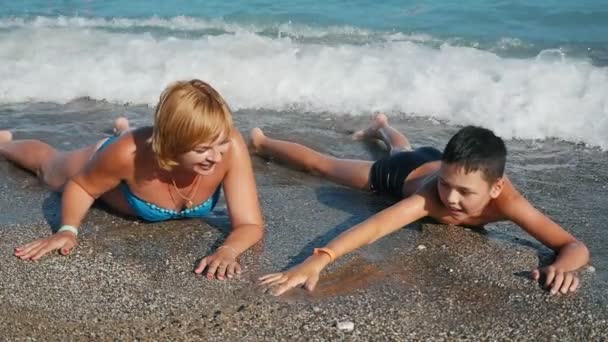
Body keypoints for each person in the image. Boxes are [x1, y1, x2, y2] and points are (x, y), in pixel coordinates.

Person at [253, 113, 590, 295]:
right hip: (399, 175)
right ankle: (261, 141)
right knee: (322, 164)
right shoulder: (431, 195)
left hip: (434, 161)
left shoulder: (508, 201)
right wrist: (320, 260)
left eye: (465, 193)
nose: (451, 199)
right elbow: (376, 227)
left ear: (495, 187)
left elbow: (572, 246)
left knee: (403, 148)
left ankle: (382, 126)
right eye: (446, 186)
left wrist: (563, 268)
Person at [1, 79, 264, 280]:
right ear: (172, 143)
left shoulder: (230, 146)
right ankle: (5, 143)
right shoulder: (126, 155)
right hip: (110, 156)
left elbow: (250, 223)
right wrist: (67, 230)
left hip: (143, 147)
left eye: (220, 144)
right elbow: (81, 186)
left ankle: (123, 127)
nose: (216, 157)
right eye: (202, 149)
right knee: (48, 168)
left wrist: (228, 250)